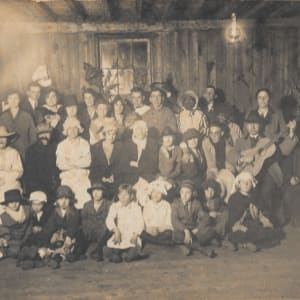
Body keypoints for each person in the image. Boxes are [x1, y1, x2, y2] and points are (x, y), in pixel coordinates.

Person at [227, 172, 282, 252]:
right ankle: (243, 242)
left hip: (254, 223)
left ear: (252, 184)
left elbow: (261, 212)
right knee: (242, 233)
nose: (245, 184)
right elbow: (232, 218)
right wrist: (239, 226)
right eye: (243, 182)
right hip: (240, 225)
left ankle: (247, 242)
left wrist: (265, 220)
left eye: (248, 182)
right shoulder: (234, 198)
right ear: (239, 184)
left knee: (269, 231)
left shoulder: (256, 197)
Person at [40, 186, 86, 268]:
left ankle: (62, 257)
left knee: (73, 243)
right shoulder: (55, 212)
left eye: (66, 199)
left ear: (70, 200)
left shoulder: (74, 212)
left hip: (71, 235)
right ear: (57, 201)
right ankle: (47, 256)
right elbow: (49, 226)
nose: (63, 202)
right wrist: (46, 239)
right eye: (61, 199)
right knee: (51, 242)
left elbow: (74, 225)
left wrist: (69, 236)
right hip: (60, 236)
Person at [171, 180, 217, 258]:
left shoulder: (196, 203)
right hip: (182, 230)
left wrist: (198, 228)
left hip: (193, 229)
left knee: (210, 230)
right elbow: (174, 220)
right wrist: (185, 230)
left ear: (192, 193)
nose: (184, 195)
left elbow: (205, 217)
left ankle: (186, 245)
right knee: (177, 235)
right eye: (182, 192)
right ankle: (202, 249)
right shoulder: (176, 203)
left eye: (187, 192)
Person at [104, 184, 147, 263]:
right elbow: (109, 219)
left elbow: (140, 222)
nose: (122, 198)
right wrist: (115, 230)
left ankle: (129, 255)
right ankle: (115, 255)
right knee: (112, 245)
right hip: (120, 233)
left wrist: (135, 234)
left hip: (132, 234)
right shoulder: (115, 206)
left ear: (131, 196)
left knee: (133, 245)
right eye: (120, 195)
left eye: (125, 195)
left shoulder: (136, 207)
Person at [56, 119, 91, 209]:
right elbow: (61, 164)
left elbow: (87, 161)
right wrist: (78, 161)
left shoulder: (84, 143)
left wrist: (70, 161)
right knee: (68, 204)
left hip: (82, 178)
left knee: (84, 203)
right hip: (68, 177)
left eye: (75, 128)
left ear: (79, 130)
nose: (73, 131)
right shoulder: (61, 145)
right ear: (66, 131)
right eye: (70, 129)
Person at [24, 122, 59, 205]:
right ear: (37, 135)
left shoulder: (56, 147)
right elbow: (29, 175)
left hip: (53, 187)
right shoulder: (31, 150)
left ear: (51, 134)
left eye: (47, 133)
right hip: (37, 187)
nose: (44, 136)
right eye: (41, 134)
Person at [17, 191, 52, 270]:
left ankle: (33, 259)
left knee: (40, 246)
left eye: (39, 204)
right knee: (28, 243)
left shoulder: (47, 214)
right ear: (30, 204)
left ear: (43, 204)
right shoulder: (28, 214)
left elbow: (50, 225)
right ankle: (25, 258)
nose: (36, 207)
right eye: (34, 204)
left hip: (43, 237)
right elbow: (24, 225)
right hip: (30, 237)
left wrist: (42, 228)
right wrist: (31, 228)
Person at [90, 121, 122, 198]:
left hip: (114, 178)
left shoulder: (120, 147)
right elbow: (93, 167)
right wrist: (102, 178)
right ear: (104, 134)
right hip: (99, 178)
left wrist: (113, 176)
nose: (111, 137)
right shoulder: (95, 147)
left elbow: (120, 165)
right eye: (109, 134)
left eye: (114, 134)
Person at [0, 89, 36, 158]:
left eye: (16, 98)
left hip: (24, 153)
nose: (13, 101)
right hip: (7, 154)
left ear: (19, 100)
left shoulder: (27, 116)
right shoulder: (2, 117)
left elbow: (33, 137)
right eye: (10, 98)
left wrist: (29, 150)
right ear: (7, 100)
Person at [120, 120, 159, 185]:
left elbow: (153, 165)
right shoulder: (127, 144)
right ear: (134, 132)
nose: (140, 132)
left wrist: (136, 164)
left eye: (142, 129)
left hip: (147, 177)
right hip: (130, 177)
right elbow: (123, 165)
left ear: (146, 131)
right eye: (137, 129)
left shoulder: (152, 143)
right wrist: (142, 166)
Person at [81, 183, 111, 261]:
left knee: (107, 230)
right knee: (80, 233)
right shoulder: (87, 205)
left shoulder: (109, 204)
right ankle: (78, 253)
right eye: (93, 191)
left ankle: (98, 252)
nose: (96, 193)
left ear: (103, 192)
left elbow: (111, 220)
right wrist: (86, 229)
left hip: (103, 230)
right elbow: (83, 219)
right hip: (90, 230)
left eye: (99, 190)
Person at [0, 189, 32, 259]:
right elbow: (5, 232)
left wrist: (25, 240)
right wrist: (5, 240)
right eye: (11, 202)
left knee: (30, 248)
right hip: (12, 240)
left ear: (20, 202)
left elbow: (29, 226)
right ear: (7, 204)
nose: (14, 205)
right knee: (14, 250)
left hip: (26, 238)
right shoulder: (4, 216)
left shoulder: (27, 210)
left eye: (16, 201)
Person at [141, 179, 173, 246]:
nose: (156, 195)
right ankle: (161, 242)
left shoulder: (166, 205)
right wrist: (149, 228)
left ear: (163, 194)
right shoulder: (147, 205)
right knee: (142, 234)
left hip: (162, 230)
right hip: (150, 230)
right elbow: (145, 220)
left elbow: (168, 221)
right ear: (151, 193)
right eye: (154, 192)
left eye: (159, 193)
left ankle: (155, 241)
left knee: (168, 233)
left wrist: (159, 228)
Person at [0, 126, 23, 202]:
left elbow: (19, 172)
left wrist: (5, 178)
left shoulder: (13, 152)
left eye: (4, 137)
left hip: (10, 184)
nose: (1, 140)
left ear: (8, 139)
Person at [201, 179, 228, 244]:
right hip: (204, 222)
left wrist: (218, 213)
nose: (209, 193)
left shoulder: (218, 199)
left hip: (215, 223)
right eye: (207, 191)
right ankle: (214, 237)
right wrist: (209, 214)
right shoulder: (200, 199)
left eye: (212, 191)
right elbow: (199, 212)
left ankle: (215, 235)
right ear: (204, 190)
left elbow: (225, 208)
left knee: (226, 214)